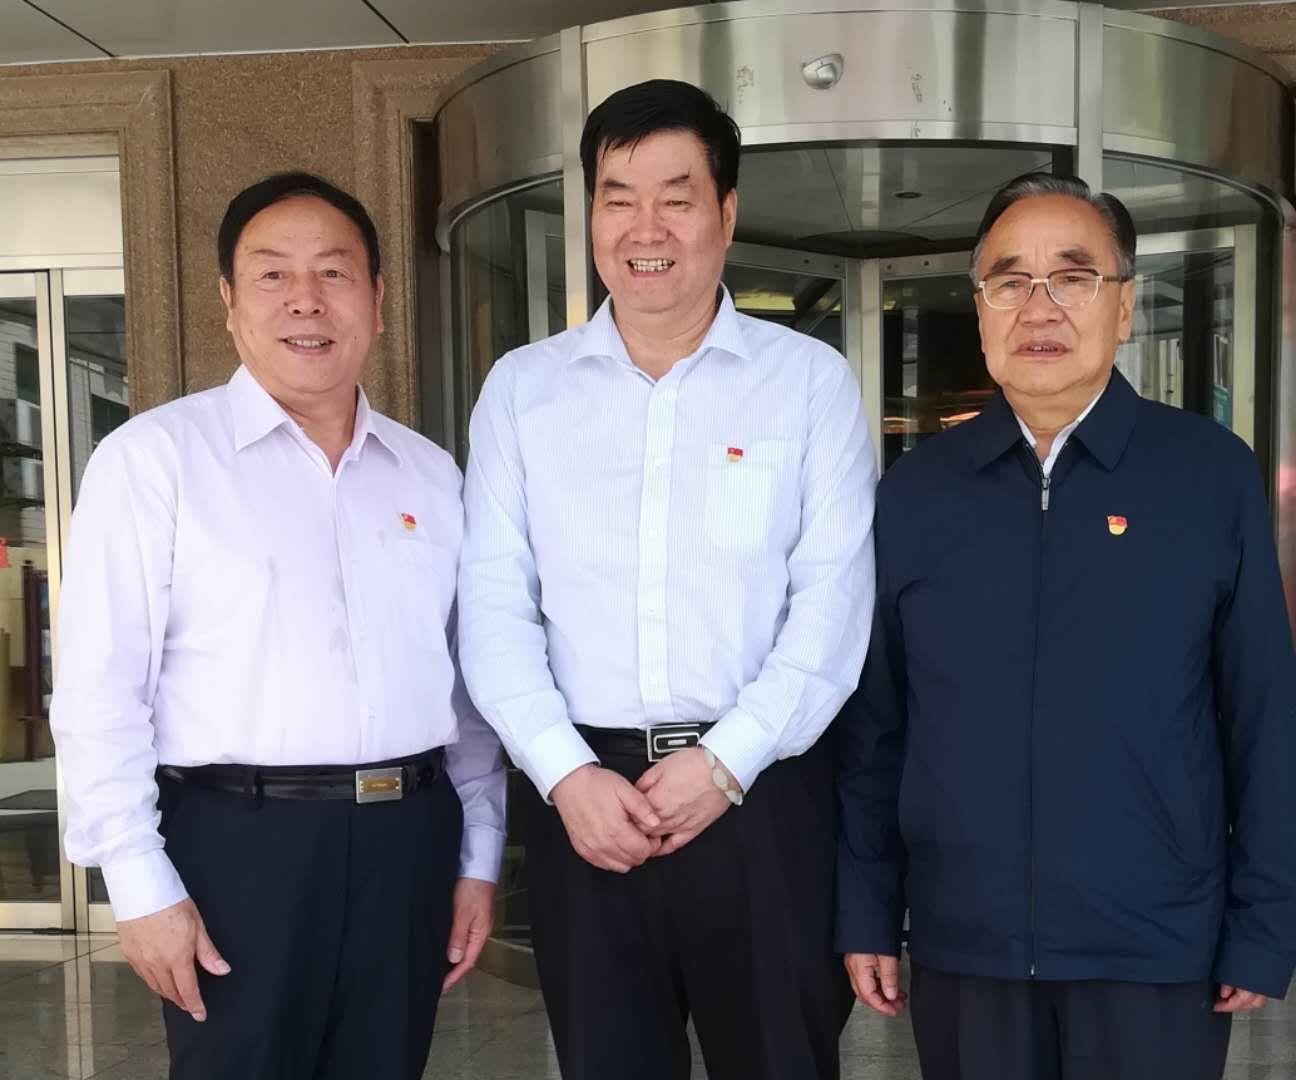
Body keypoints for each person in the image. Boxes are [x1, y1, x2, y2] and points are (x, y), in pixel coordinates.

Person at [457, 79, 875, 1079]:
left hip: (762, 799)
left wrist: (727, 761)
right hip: (585, 807)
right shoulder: (522, 391)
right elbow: (494, 604)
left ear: (725, 213)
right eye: (618, 197)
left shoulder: (808, 383)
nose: (646, 229)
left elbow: (832, 605)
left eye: (676, 198)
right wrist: (563, 774)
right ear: (591, 215)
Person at [837, 172, 1296, 1080]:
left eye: (1073, 278)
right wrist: (866, 909)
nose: (1038, 307)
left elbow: (1262, 716)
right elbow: (876, 727)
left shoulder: (1208, 476)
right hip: (965, 944)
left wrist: (1264, 923)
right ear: (980, 311)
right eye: (1009, 281)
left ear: (1123, 308)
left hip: (1156, 946)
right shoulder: (917, 494)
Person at [50, 172, 506, 1080]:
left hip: (409, 842)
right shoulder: (155, 461)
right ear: (228, 302)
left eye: (334, 272)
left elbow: (468, 691)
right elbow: (101, 690)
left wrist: (478, 856)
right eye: (272, 274)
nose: (306, 299)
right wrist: (137, 882)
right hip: (237, 848)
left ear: (377, 300)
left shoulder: (431, 476)